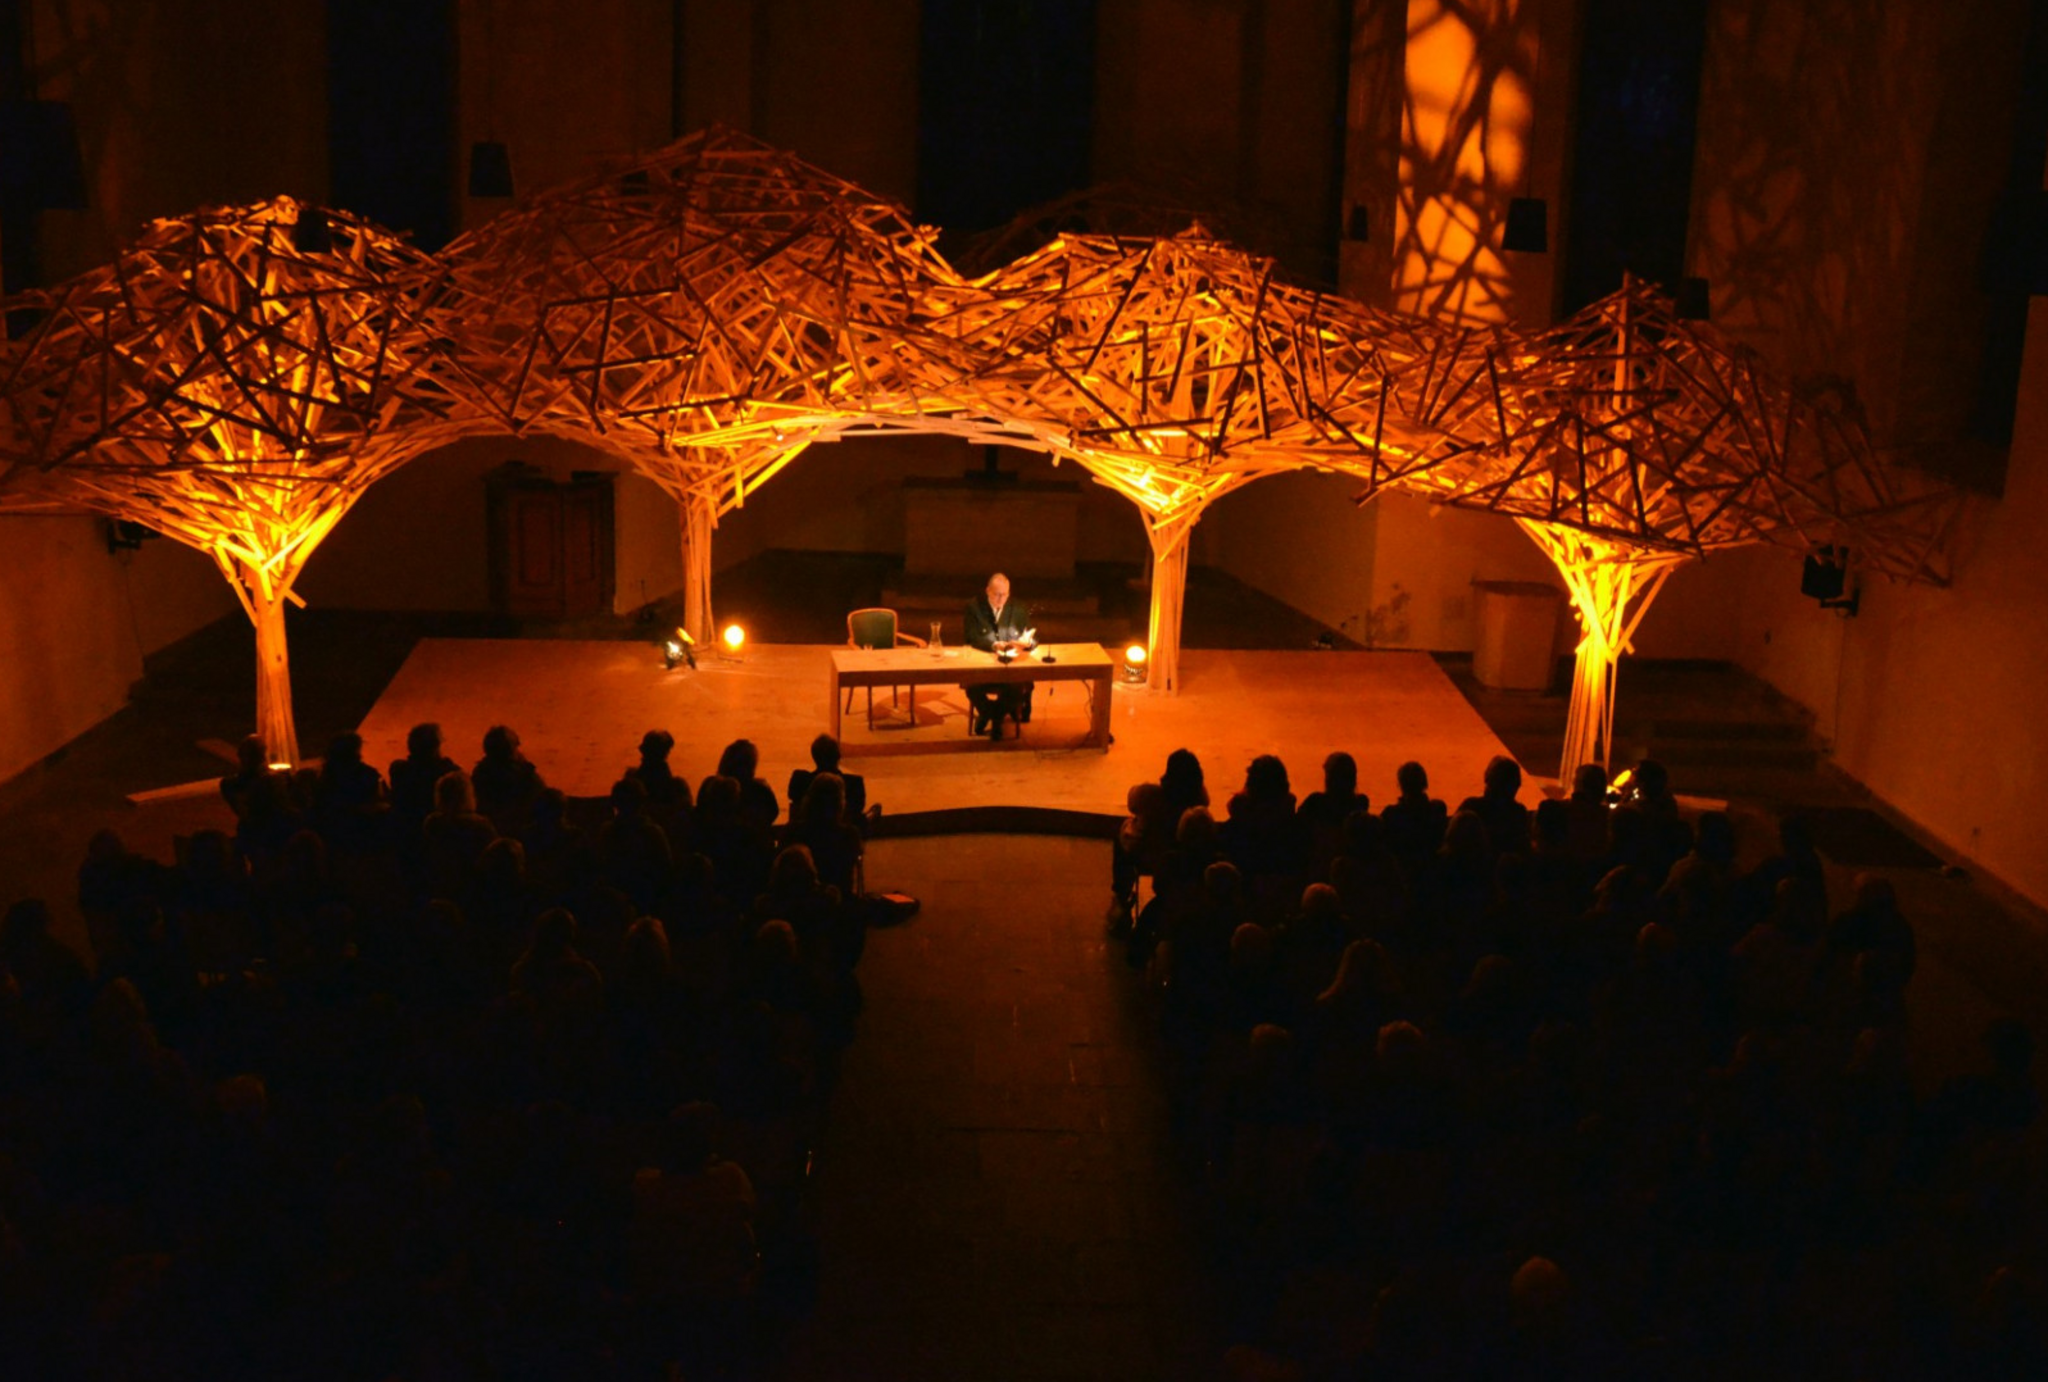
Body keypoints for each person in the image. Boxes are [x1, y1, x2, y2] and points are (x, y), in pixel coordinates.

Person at [962, 571, 1035, 740]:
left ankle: (988, 716)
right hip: (982, 664)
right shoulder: (973, 607)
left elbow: (1031, 637)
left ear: (1009, 594)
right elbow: (971, 637)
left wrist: (1027, 643)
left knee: (1017, 687)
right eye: (996, 594)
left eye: (1004, 595)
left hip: (1010, 666)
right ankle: (997, 717)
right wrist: (993, 645)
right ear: (987, 590)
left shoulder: (1018, 608)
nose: (1000, 599)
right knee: (972, 687)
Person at [788, 733, 870, 826]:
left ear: (814, 756)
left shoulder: (800, 781)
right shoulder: (854, 784)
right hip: (842, 837)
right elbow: (857, 809)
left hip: (809, 834)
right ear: (838, 756)